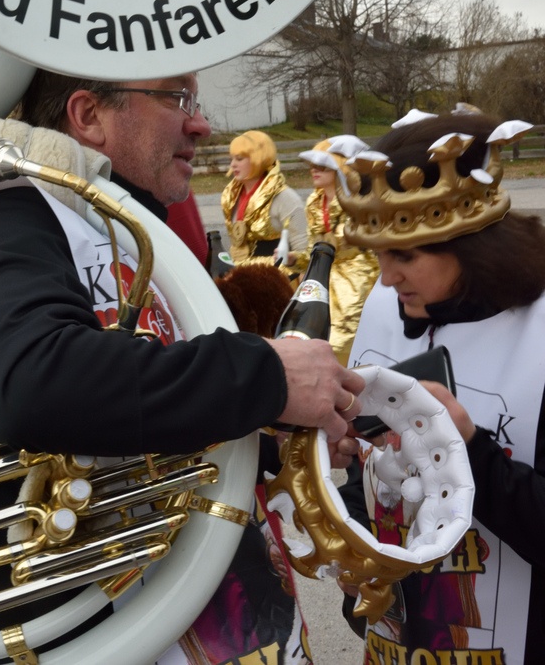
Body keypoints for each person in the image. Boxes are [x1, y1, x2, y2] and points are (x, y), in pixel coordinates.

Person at [0, 69, 366, 661]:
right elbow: (30, 382)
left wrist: (272, 433)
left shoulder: (118, 221)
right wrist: (266, 376)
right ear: (88, 115)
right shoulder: (9, 213)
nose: (201, 123)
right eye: (178, 98)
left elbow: (135, 415)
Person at [337, 111, 545, 664]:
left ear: (475, 245)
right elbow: (365, 473)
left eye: (405, 255)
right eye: (379, 253)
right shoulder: (388, 308)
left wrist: (468, 449)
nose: (386, 278)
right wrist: (352, 536)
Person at [298, 137, 380, 365]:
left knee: (343, 342)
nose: (314, 170)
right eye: (312, 165)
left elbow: (367, 242)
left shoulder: (358, 200)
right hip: (323, 276)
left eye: (322, 165)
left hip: (357, 276)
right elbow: (312, 246)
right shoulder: (314, 202)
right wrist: (296, 261)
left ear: (339, 168)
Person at [221, 130, 308, 273]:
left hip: (277, 278)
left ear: (258, 158)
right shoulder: (230, 197)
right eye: (232, 159)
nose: (233, 165)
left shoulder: (285, 197)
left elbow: (305, 251)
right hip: (240, 276)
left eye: (239, 159)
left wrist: (293, 259)